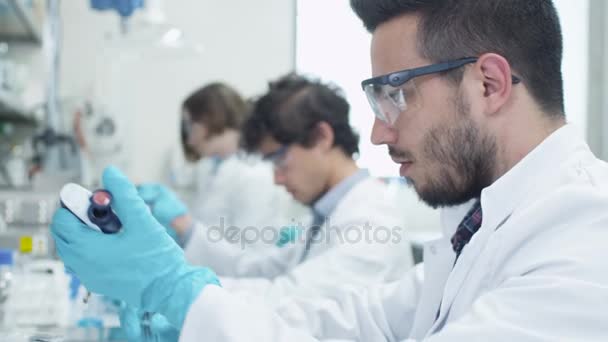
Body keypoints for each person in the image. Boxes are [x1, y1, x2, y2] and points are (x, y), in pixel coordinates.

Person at [50, 0, 608, 340]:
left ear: (489, 84)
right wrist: (187, 305)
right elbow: (352, 324)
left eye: (397, 97)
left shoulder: (585, 244)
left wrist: (179, 292)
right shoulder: (482, 226)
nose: (378, 133)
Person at [139, 82, 310, 266]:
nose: (189, 139)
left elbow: (249, 256)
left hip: (236, 280)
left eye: (190, 125)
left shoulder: (254, 175)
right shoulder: (210, 168)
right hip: (210, 268)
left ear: (210, 120)